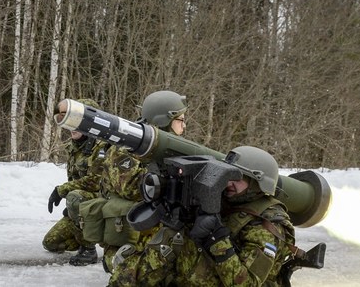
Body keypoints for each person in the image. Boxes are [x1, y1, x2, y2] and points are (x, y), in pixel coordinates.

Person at [108, 146, 297, 286]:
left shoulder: (267, 225)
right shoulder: (220, 200)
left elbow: (246, 283)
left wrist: (216, 239)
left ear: (258, 183)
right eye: (227, 175)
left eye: (237, 179)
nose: (228, 183)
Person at [75, 90, 188, 271]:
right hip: (130, 239)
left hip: (158, 234)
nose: (184, 126)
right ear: (164, 121)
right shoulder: (126, 148)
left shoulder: (171, 149)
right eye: (181, 120)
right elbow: (134, 189)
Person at [42, 98, 108, 266]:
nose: (71, 127)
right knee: (51, 243)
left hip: (103, 203)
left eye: (77, 122)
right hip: (84, 202)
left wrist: (62, 191)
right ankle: (83, 231)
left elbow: (95, 182)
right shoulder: (75, 145)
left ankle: (88, 249)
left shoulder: (101, 147)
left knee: (75, 197)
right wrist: (73, 211)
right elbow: (75, 179)